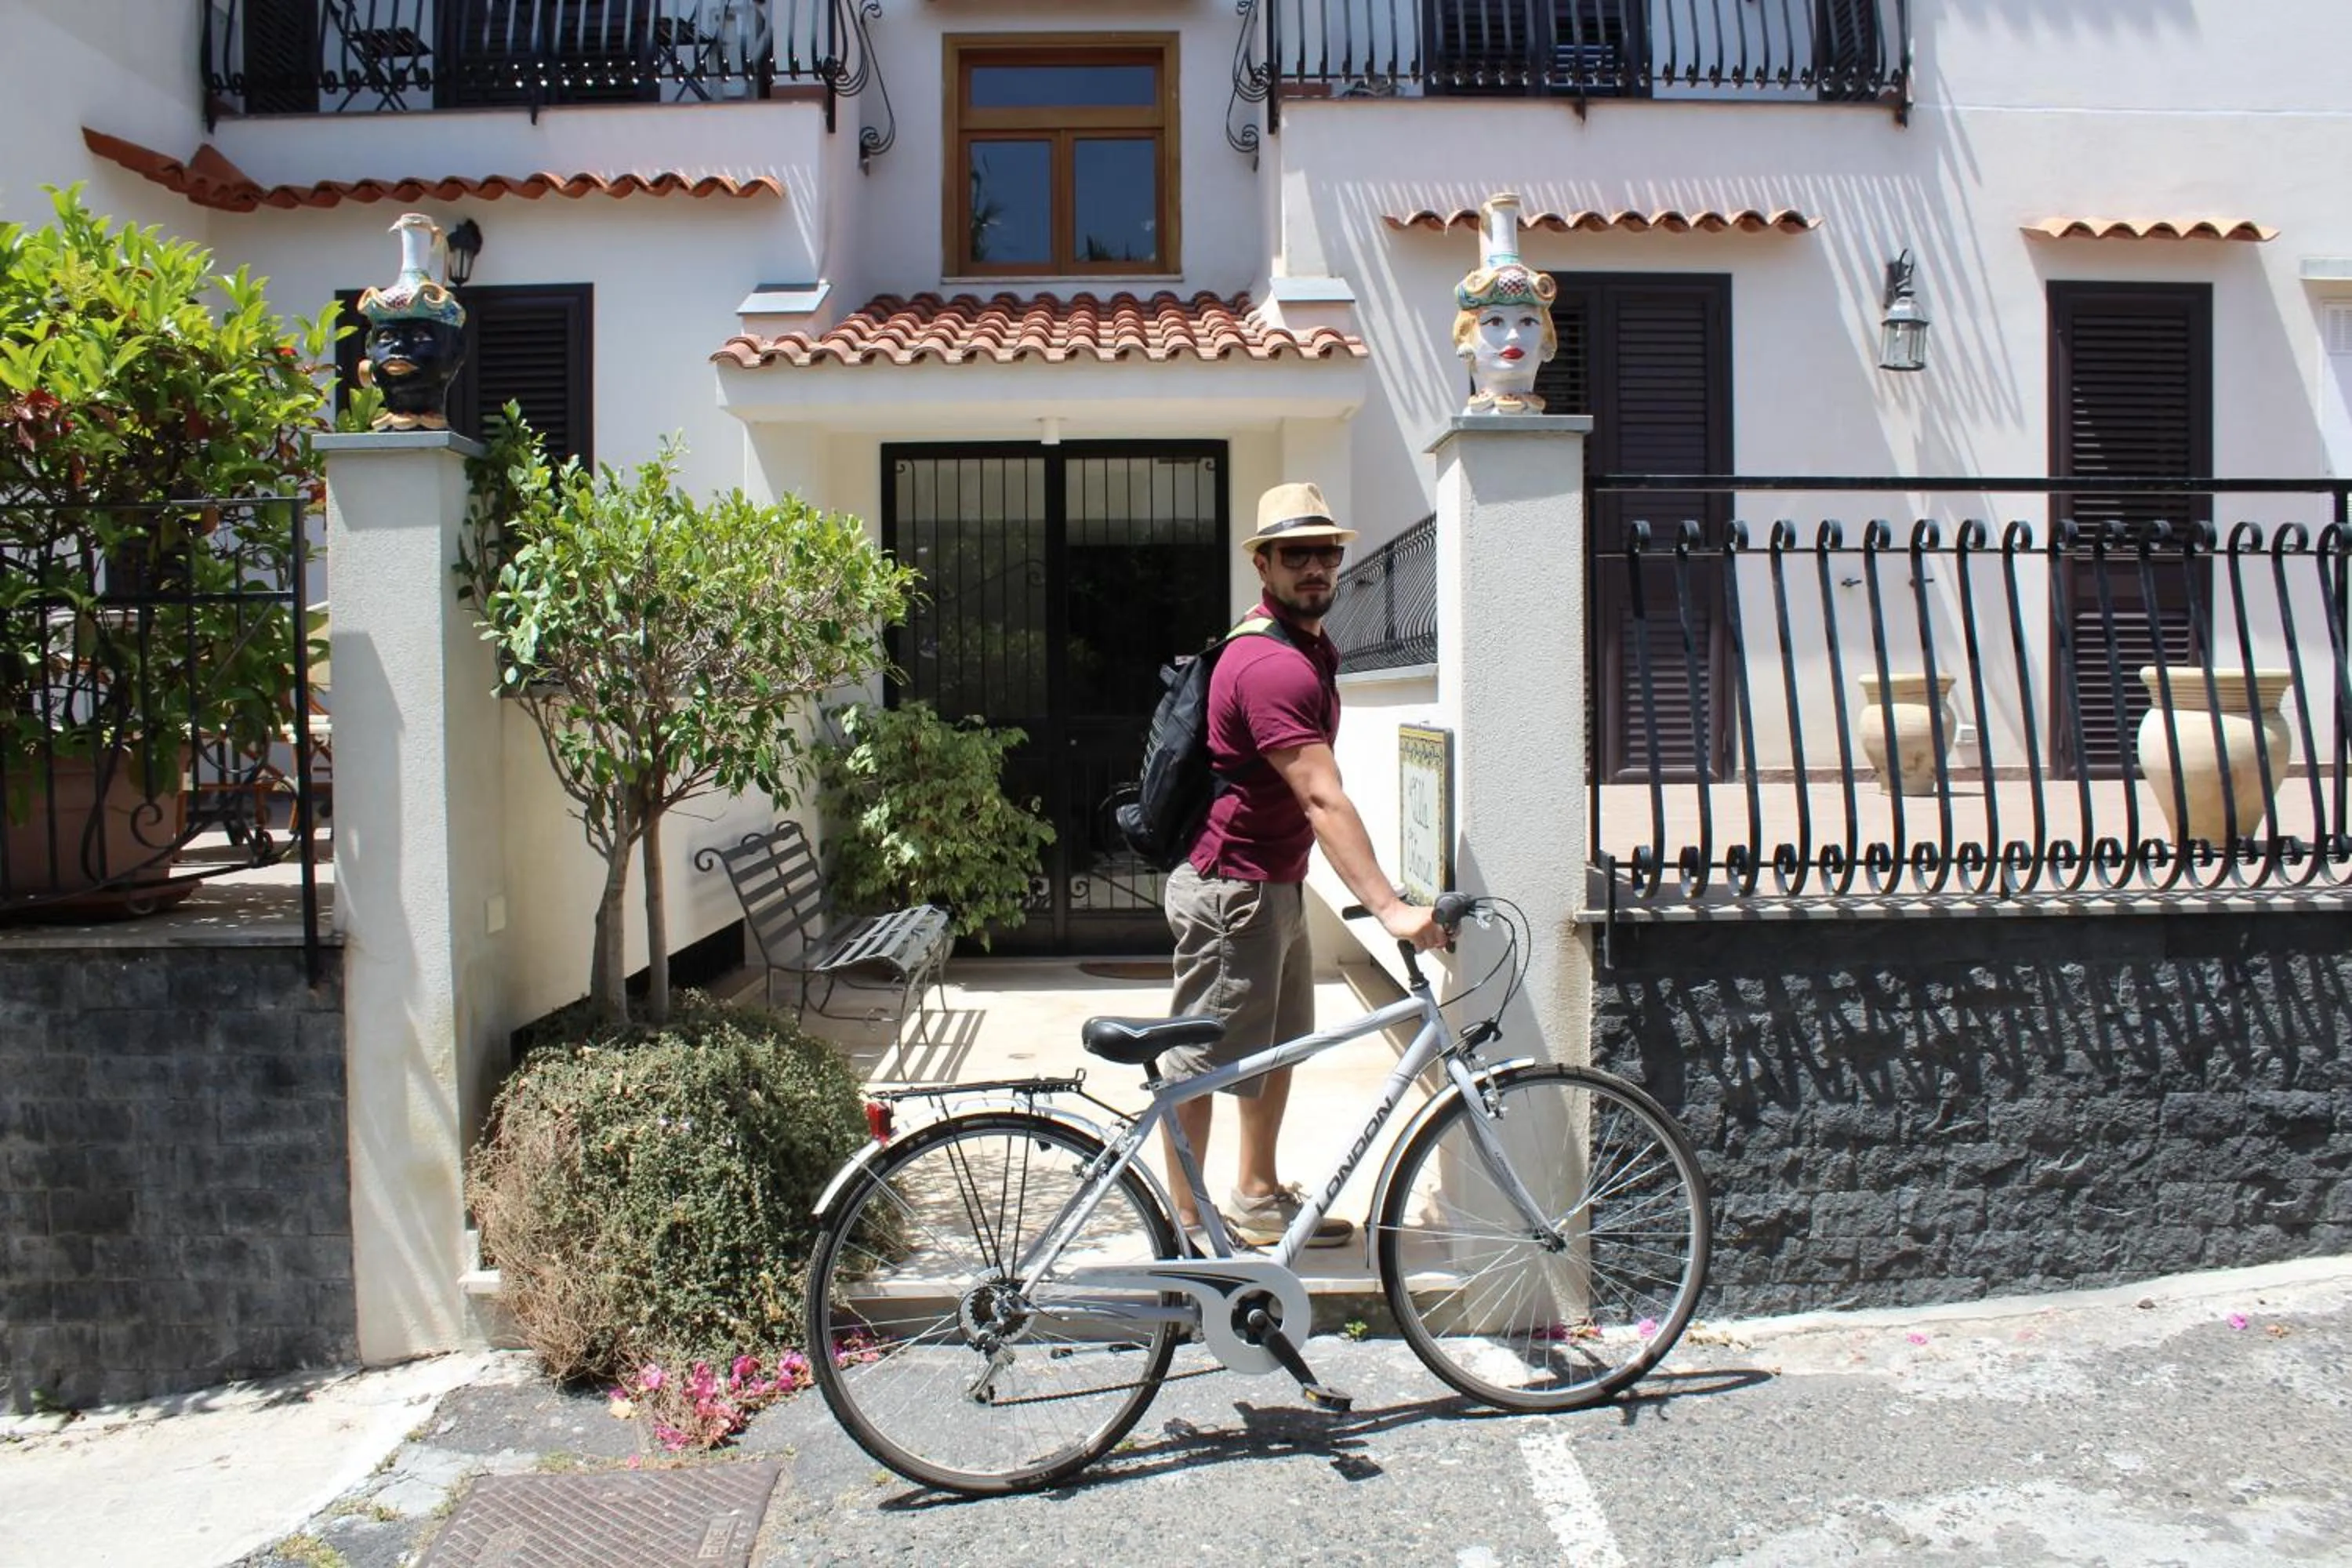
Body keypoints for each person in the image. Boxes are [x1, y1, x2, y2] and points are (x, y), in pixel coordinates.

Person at [1159, 481, 1446, 1252]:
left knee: (1276, 1046)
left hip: (1272, 881)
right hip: (1232, 889)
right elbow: (1322, 795)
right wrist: (1391, 909)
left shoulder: (1308, 645)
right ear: (1263, 563)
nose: (1315, 567)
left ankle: (1255, 1195)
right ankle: (1184, 1231)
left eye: (1326, 552)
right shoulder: (1270, 665)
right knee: (1199, 1061)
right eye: (1296, 554)